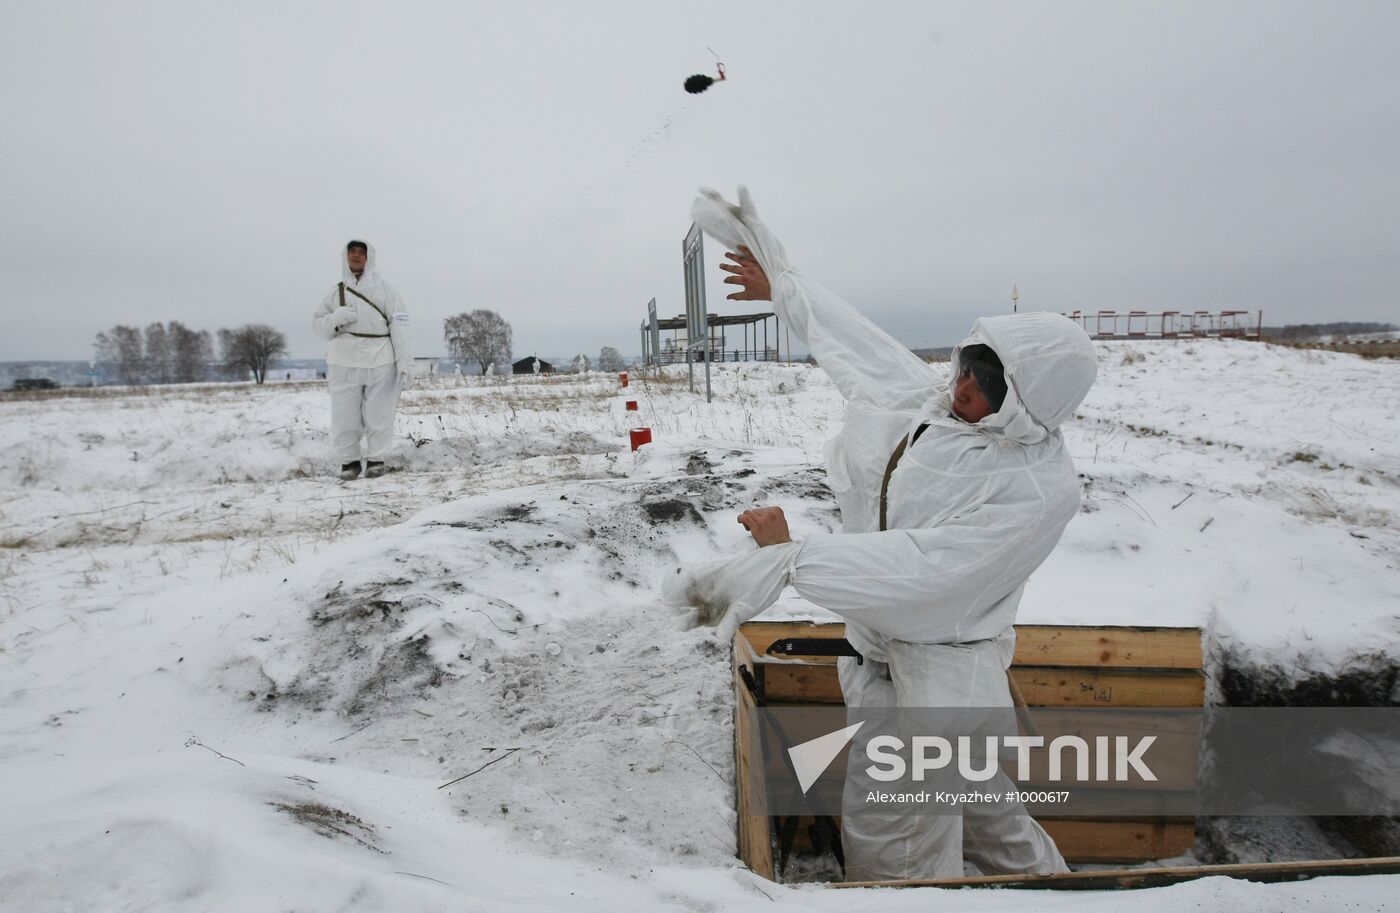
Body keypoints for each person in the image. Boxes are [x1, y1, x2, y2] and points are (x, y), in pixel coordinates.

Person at [671, 187, 1097, 881]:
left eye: (990, 383)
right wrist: (783, 282)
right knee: (993, 824)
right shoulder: (934, 408)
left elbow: (926, 574)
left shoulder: (1034, 489)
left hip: (931, 692)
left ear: (1031, 403)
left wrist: (792, 558)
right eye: (969, 365)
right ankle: (1067, 897)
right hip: (895, 668)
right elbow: (858, 346)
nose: (965, 387)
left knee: (899, 853)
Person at [311, 240, 413, 480]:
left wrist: (405, 362)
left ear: (369, 257)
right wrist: (334, 318)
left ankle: (376, 459)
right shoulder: (335, 293)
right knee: (344, 414)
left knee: (379, 413)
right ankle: (349, 462)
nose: (356, 256)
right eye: (352, 252)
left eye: (361, 252)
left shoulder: (387, 290)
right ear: (345, 256)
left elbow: (401, 326)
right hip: (343, 360)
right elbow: (318, 326)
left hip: (380, 358)